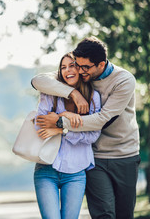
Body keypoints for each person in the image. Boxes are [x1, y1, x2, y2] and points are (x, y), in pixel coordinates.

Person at [32, 36, 140, 219]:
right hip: (95, 157)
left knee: (124, 214)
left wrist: (61, 123)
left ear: (101, 64)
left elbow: (102, 120)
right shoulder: (81, 76)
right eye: (78, 65)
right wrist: (72, 92)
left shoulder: (124, 80)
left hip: (124, 154)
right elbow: (38, 80)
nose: (80, 71)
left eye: (85, 67)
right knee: (103, 214)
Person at [34, 52, 101, 219]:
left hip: (76, 171)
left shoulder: (93, 98)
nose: (67, 70)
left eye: (72, 65)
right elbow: (39, 125)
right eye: (63, 67)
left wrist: (61, 128)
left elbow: (92, 136)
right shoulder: (50, 94)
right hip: (46, 169)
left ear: (80, 69)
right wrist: (65, 115)